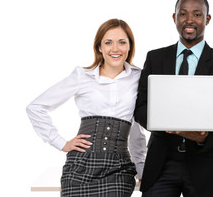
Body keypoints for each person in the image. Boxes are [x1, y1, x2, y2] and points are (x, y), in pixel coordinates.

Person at [26, 19, 147, 197]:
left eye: (122, 42)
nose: (115, 49)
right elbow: (35, 107)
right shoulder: (82, 76)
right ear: (99, 47)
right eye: (108, 42)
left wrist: (141, 167)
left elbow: (136, 129)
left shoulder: (139, 78)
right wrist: (61, 143)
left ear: (130, 46)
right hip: (80, 164)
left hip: (118, 168)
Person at [134, 0, 213, 197]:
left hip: (204, 163)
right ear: (174, 18)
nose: (189, 20)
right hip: (162, 161)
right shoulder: (155, 58)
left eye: (197, 14)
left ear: (207, 19)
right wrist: (165, 124)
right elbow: (140, 107)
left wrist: (202, 137)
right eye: (183, 14)